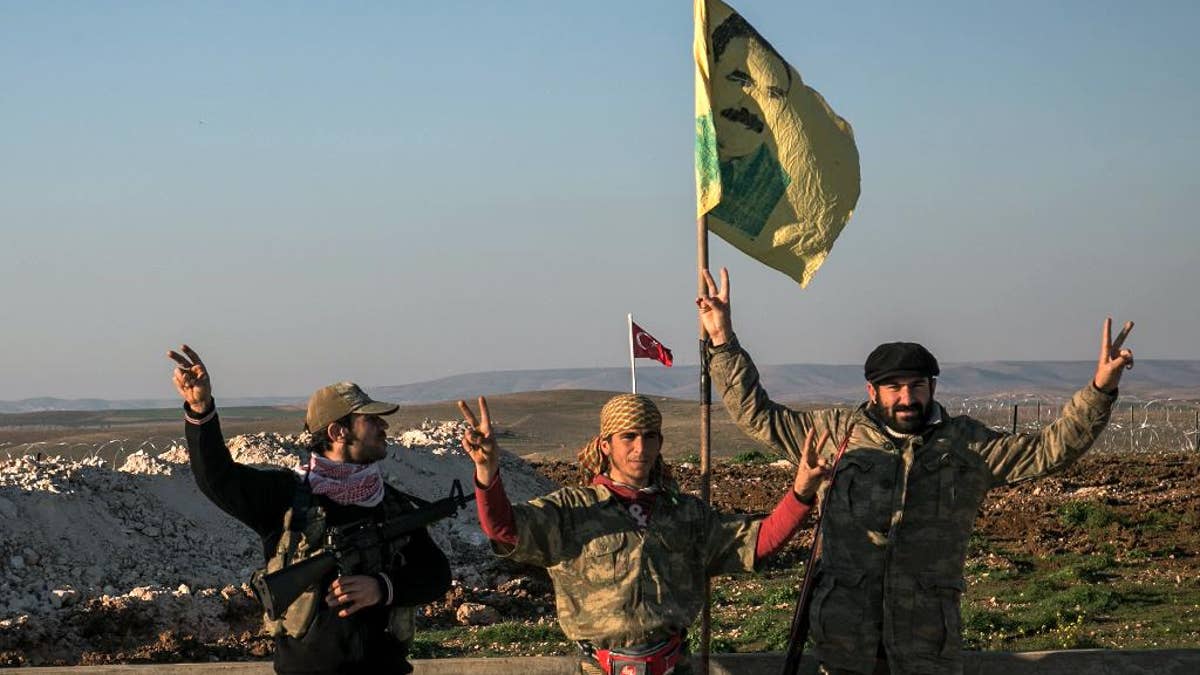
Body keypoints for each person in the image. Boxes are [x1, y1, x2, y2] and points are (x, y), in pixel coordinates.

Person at [695, 267, 1134, 675]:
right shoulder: (833, 434)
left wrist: (1100, 389)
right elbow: (758, 416)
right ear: (872, 391)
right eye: (894, 388)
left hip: (926, 647)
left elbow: (1051, 449)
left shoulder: (967, 446)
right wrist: (722, 340)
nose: (907, 398)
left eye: (917, 386)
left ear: (932, 388)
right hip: (845, 642)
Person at [458, 392, 831, 675]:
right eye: (629, 436)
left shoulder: (685, 513)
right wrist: (488, 473)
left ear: (660, 443)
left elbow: (757, 541)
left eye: (650, 436)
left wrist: (801, 492)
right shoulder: (571, 510)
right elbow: (505, 531)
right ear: (605, 445)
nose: (641, 447)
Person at [167, 345, 451, 674]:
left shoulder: (390, 502)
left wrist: (382, 587)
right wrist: (200, 409)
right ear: (337, 431)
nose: (383, 427)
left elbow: (436, 575)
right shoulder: (287, 497)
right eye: (370, 420)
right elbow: (217, 479)